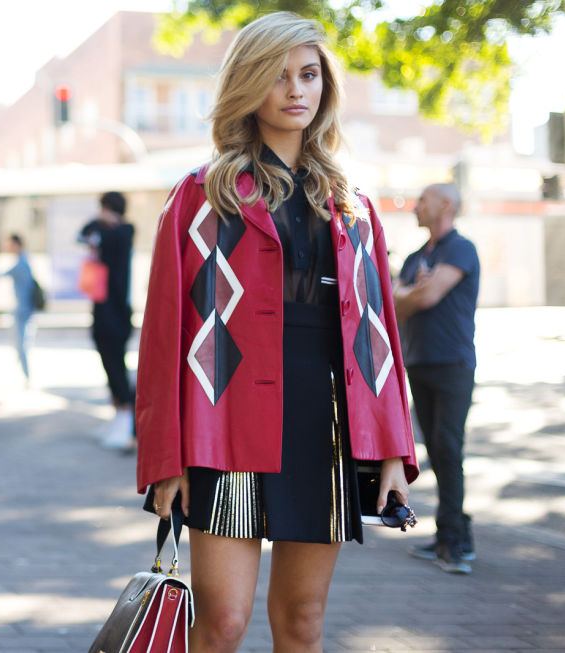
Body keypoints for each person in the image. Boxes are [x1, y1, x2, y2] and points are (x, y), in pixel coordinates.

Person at [135, 14, 419, 652]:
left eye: (310, 74)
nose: (297, 90)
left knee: (302, 622)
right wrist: (164, 459)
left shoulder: (352, 204)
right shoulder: (204, 199)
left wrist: (395, 449)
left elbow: (378, 340)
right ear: (248, 85)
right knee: (223, 622)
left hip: (325, 428)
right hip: (224, 425)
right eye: (279, 76)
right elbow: (161, 340)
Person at [393, 183, 479, 575]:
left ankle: (456, 543)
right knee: (435, 451)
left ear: (446, 205)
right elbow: (394, 308)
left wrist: (409, 292)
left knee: (448, 448)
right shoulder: (415, 257)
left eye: (422, 200)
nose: (416, 206)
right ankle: (449, 532)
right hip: (419, 362)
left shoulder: (461, 248)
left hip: (452, 363)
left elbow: (423, 299)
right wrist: (413, 292)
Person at [79, 191, 135, 450]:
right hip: (102, 311)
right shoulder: (102, 230)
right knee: (108, 366)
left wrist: (104, 223)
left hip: (117, 314)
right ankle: (118, 416)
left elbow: (110, 236)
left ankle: (128, 423)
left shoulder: (124, 231)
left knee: (117, 368)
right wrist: (98, 221)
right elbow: (83, 233)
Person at [4, 234, 35, 384]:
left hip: (23, 308)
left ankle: (25, 374)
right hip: (23, 307)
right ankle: (22, 370)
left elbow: (4, 274)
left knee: (21, 342)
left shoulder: (22, 262)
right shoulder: (24, 260)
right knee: (18, 340)